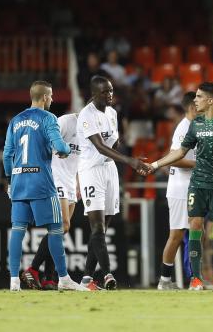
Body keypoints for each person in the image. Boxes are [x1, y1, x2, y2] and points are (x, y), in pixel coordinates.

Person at [144, 82, 213, 291]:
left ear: (210, 100)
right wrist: (155, 165)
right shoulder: (196, 123)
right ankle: (196, 279)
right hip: (197, 184)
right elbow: (180, 152)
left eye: (199, 96)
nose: (195, 100)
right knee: (194, 227)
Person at [3, 81, 86, 291]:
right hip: (41, 181)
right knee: (57, 228)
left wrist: (10, 179)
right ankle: (64, 279)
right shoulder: (48, 118)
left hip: (19, 181)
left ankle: (14, 281)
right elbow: (59, 146)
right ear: (45, 97)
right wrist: (65, 149)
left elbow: (7, 154)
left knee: (18, 231)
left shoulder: (15, 120)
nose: (53, 100)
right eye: (51, 97)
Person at [77, 76, 149, 290]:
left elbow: (113, 142)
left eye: (111, 90)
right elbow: (99, 146)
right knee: (97, 227)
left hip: (109, 170)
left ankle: (86, 279)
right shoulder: (86, 115)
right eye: (105, 92)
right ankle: (108, 274)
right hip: (91, 171)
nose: (110, 95)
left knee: (102, 230)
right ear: (94, 93)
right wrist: (130, 161)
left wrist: (122, 141)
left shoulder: (112, 113)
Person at [22, 113, 81, 290]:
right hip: (56, 177)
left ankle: (49, 278)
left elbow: (81, 158)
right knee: (62, 225)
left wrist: (79, 181)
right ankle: (32, 269)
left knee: (60, 230)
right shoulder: (66, 121)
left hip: (71, 180)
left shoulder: (91, 129)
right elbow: (45, 141)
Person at [157, 92, 197, 290]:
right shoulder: (184, 128)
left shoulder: (195, 126)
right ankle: (164, 280)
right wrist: (199, 165)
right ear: (192, 107)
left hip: (190, 187)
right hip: (180, 189)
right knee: (177, 235)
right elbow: (175, 157)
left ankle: (193, 279)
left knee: (196, 233)